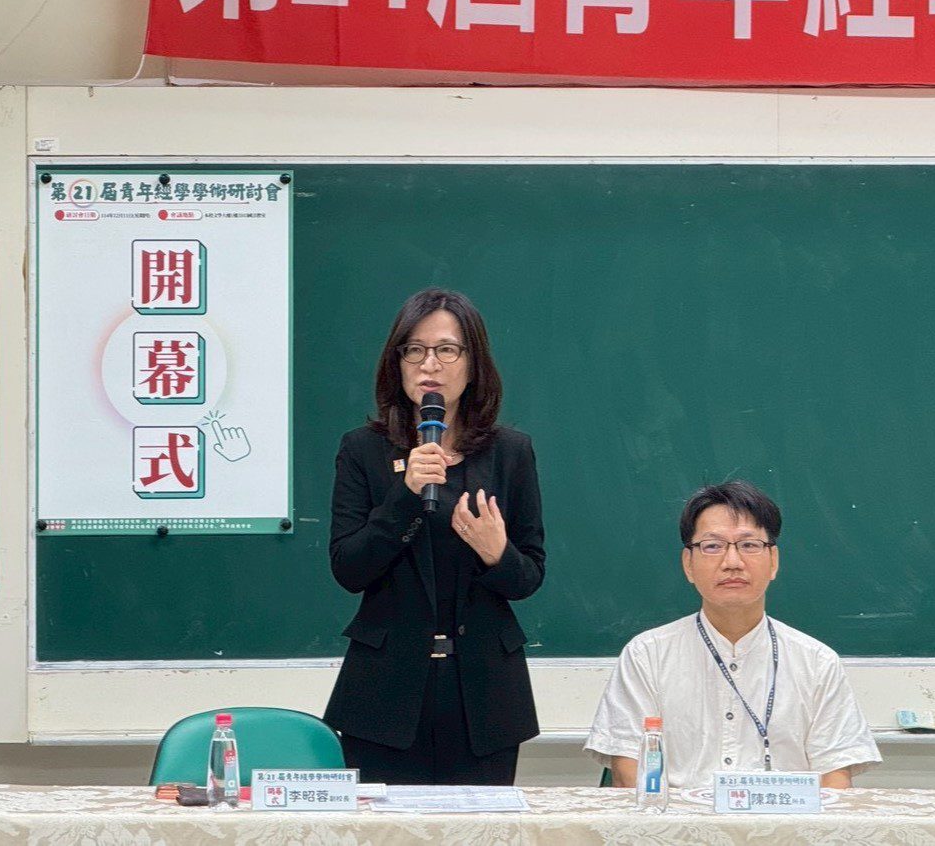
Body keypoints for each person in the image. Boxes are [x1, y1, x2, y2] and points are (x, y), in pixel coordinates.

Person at [323, 288, 546, 785]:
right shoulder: (362, 450)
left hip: (484, 695)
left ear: (473, 363)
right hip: (384, 694)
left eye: (447, 349)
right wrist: (404, 495)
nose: (430, 364)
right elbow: (349, 568)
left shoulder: (511, 452)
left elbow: (529, 575)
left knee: (480, 826)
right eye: (415, 349)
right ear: (396, 361)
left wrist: (496, 553)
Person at [585, 481, 880, 789]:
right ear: (688, 564)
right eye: (713, 546)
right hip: (676, 819)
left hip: (783, 819)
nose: (732, 563)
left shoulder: (817, 662)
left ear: (773, 561)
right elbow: (628, 768)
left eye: (749, 545)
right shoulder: (647, 655)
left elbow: (835, 777)